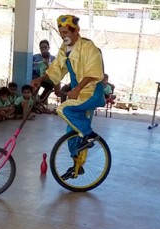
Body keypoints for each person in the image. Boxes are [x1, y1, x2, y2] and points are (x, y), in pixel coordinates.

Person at [31, 14, 105, 179]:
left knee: (63, 109)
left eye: (66, 32)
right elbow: (56, 69)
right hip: (78, 93)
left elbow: (94, 73)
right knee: (71, 130)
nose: (63, 35)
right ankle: (77, 166)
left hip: (91, 92)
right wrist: (40, 79)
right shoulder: (65, 49)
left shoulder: (88, 47)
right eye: (61, 32)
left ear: (75, 31)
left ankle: (90, 135)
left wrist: (78, 88)